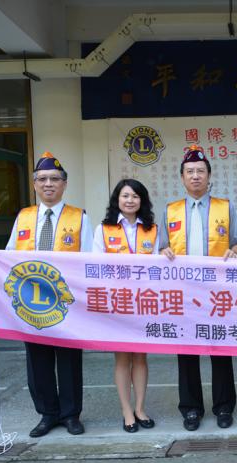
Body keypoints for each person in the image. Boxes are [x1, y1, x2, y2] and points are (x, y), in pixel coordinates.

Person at [0, 152, 92, 437]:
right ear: (34, 185)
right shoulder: (24, 217)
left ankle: (71, 414)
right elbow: (10, 254)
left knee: (69, 360)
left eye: (54, 179)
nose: (48, 184)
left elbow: (90, 259)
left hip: (66, 304)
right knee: (37, 360)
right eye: (42, 179)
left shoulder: (79, 218)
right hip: (31, 303)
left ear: (64, 184)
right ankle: (47, 414)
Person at [160, 145, 237, 431]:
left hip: (217, 291)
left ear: (209, 176)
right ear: (182, 177)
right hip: (184, 291)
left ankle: (224, 407)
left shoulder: (225, 207)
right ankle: (191, 408)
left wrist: (234, 251)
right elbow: (161, 246)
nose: (195, 176)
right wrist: (163, 251)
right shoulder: (171, 210)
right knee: (187, 351)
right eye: (190, 172)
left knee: (220, 348)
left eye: (200, 171)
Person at [93, 179, 158, 433]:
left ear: (142, 201)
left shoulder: (152, 229)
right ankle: (126, 410)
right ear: (117, 200)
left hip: (144, 301)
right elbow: (96, 267)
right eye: (125, 196)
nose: (130, 200)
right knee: (122, 358)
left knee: (140, 357)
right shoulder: (103, 229)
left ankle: (140, 408)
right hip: (117, 302)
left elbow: (158, 268)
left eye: (135, 196)